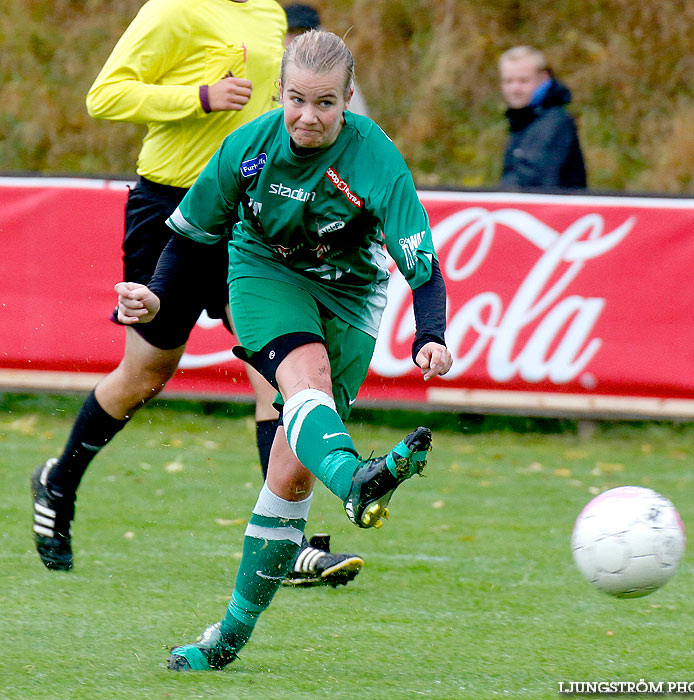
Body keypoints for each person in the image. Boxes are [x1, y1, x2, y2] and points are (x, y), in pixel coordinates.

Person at [114, 29, 453, 671]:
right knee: (306, 378)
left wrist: (430, 333)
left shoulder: (376, 159)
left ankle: (227, 641)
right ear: (279, 93)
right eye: (296, 99)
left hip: (352, 299)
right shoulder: (246, 147)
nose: (308, 116)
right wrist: (158, 297)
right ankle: (357, 481)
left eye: (326, 103)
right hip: (264, 275)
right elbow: (189, 237)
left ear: (349, 98)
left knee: (290, 476)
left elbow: (423, 265)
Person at [31, 0, 364, 588]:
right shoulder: (172, 10)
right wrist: (199, 98)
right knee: (147, 373)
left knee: (280, 371)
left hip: (248, 213)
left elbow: (276, 106)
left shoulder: (266, 12)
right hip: (170, 207)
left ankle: (292, 543)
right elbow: (105, 96)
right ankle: (59, 481)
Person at [498, 45, 587, 190]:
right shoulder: (522, 119)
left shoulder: (555, 122)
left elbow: (533, 179)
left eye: (523, 81)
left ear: (543, 78)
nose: (515, 89)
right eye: (508, 81)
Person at [283, 2, 370, 117]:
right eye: (291, 33)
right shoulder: (269, 71)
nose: (297, 39)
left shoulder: (337, 76)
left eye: (303, 32)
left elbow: (357, 120)